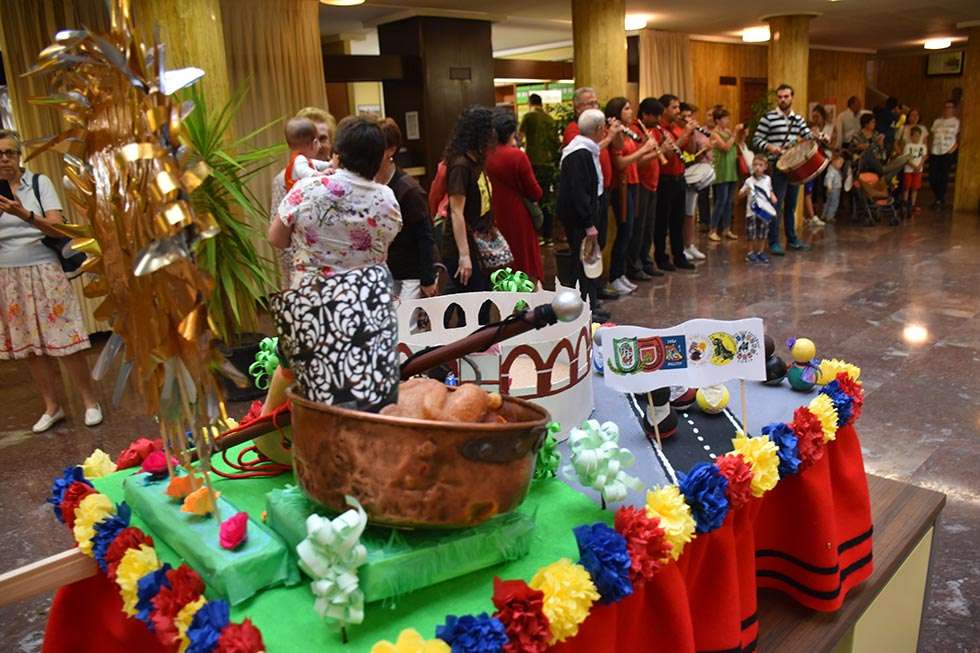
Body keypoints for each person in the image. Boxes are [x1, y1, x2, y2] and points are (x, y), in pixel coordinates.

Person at [0, 129, 103, 432]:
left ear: (19, 156)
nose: (4, 159)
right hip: (7, 276)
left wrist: (24, 214)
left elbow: (60, 230)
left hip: (44, 270)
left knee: (66, 341)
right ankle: (52, 407)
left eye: (10, 152)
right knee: (31, 346)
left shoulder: (38, 183)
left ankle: (90, 402)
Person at [268, 115, 402, 287]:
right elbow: (388, 237)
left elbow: (275, 238)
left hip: (314, 296)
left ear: (337, 154)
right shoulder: (387, 198)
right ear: (378, 158)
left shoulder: (306, 188)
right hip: (367, 296)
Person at [563, 87, 622, 299]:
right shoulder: (575, 131)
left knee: (600, 243)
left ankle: (594, 290)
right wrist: (609, 135)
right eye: (590, 103)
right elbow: (593, 147)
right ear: (577, 107)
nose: (595, 106)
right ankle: (586, 298)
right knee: (585, 250)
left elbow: (617, 147)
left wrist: (616, 132)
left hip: (601, 193)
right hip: (585, 200)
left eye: (597, 102)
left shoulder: (599, 127)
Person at [270, 107, 336, 289]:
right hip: (304, 280)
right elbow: (280, 242)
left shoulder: (343, 177)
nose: (319, 145)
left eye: (323, 138)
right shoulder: (284, 181)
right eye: (310, 140)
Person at [378, 118, 438, 300]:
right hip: (386, 272)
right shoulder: (369, 184)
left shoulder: (409, 190)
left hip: (411, 275)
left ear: (391, 150)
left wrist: (428, 279)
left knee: (407, 326)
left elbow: (426, 237)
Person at [558, 109, 609, 322]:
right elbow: (579, 192)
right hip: (579, 220)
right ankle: (585, 307)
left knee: (589, 260)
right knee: (582, 262)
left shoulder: (587, 150)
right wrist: (589, 223)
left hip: (586, 215)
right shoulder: (579, 153)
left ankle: (592, 302)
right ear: (598, 129)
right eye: (604, 127)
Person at [751, 83, 813, 254]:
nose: (783, 100)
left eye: (786, 96)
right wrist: (770, 147)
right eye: (780, 97)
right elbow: (756, 139)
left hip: (794, 167)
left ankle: (792, 239)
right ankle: (774, 242)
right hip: (776, 167)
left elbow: (808, 135)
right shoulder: (768, 118)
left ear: (792, 97)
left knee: (791, 205)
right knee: (776, 206)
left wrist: (819, 135)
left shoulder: (798, 119)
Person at [605, 97, 658, 295]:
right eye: (626, 108)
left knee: (632, 229)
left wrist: (652, 151)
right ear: (616, 112)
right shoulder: (617, 133)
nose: (630, 111)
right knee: (625, 229)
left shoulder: (628, 133)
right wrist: (644, 149)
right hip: (622, 186)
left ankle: (621, 274)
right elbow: (620, 163)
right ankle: (615, 275)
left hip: (634, 183)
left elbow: (635, 160)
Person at [442, 106, 497, 293]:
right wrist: (464, 255)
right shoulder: (461, 165)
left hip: (478, 242)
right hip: (463, 245)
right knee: (473, 302)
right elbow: (456, 212)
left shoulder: (476, 161)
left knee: (482, 298)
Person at [485, 109, 544, 283]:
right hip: (518, 214)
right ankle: (524, 302)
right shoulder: (517, 156)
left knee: (503, 259)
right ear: (512, 132)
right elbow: (535, 192)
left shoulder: (485, 155)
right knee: (523, 257)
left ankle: (506, 299)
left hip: (493, 212)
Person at [652, 94, 696, 271]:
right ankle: (661, 257)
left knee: (677, 220)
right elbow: (669, 154)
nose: (678, 111)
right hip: (665, 179)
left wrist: (690, 133)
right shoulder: (659, 130)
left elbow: (690, 151)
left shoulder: (677, 128)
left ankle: (679, 255)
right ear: (664, 110)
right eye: (675, 107)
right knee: (662, 222)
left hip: (679, 178)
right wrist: (684, 134)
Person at [629, 98, 665, 279]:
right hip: (641, 184)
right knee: (639, 227)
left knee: (649, 227)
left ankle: (646, 261)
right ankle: (635, 265)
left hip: (653, 184)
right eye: (656, 116)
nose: (659, 119)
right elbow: (638, 162)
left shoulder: (653, 130)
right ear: (645, 115)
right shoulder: (636, 131)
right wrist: (658, 152)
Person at [519, 93, 559, 245]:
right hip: (548, 164)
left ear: (530, 103)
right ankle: (549, 236)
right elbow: (556, 142)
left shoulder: (528, 117)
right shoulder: (550, 119)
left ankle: (539, 235)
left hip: (533, 163)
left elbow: (520, 137)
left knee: (533, 199)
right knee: (547, 199)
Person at [679, 102, 711, 262]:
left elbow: (693, 153)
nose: (687, 119)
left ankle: (689, 245)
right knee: (680, 215)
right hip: (677, 176)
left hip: (691, 175)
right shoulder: (675, 130)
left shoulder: (693, 132)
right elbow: (680, 153)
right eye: (684, 116)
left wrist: (694, 137)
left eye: (690, 116)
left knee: (690, 214)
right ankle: (680, 248)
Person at [708, 107, 740, 242]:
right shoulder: (714, 134)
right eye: (725, 119)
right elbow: (725, 147)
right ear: (717, 120)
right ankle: (713, 229)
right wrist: (735, 133)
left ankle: (727, 229)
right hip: (721, 170)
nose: (727, 121)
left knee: (729, 202)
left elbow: (736, 144)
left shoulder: (727, 131)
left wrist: (738, 134)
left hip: (731, 169)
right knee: (721, 201)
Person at [739, 153, 778, 265]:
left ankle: (760, 252)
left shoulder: (768, 179)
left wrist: (772, 196)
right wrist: (744, 192)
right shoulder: (749, 181)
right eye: (755, 165)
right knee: (751, 233)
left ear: (765, 167)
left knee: (763, 232)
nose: (757, 167)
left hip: (764, 211)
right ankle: (750, 253)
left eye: (760, 165)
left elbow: (769, 190)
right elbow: (740, 194)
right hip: (751, 211)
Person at [281, 117, 333, 193]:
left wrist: (329, 164)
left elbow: (315, 163)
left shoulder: (302, 159)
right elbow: (305, 172)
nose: (320, 146)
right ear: (314, 143)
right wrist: (320, 174)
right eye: (318, 141)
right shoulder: (300, 160)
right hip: (302, 197)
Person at [804, 104, 834, 228]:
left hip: (821, 160)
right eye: (813, 116)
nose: (815, 119)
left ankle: (814, 215)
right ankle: (811, 215)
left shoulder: (827, 128)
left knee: (818, 188)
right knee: (809, 191)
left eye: (817, 116)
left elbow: (829, 143)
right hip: (809, 163)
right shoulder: (809, 129)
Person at [929, 100, 959, 210]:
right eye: (946, 107)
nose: (947, 109)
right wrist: (930, 148)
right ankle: (938, 197)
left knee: (943, 177)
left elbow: (959, 137)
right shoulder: (937, 121)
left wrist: (953, 148)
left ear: (954, 109)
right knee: (933, 177)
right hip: (935, 151)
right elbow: (932, 136)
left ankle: (940, 199)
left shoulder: (956, 122)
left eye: (950, 107)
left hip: (947, 151)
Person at [901, 126, 928, 215]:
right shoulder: (908, 146)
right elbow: (906, 158)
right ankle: (905, 203)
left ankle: (912, 204)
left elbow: (923, 157)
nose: (916, 137)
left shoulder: (923, 147)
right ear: (911, 136)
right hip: (909, 169)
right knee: (906, 187)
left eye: (918, 136)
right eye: (914, 135)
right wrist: (913, 166)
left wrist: (919, 166)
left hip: (918, 170)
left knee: (915, 188)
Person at [822, 155, 844, 224]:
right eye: (839, 163)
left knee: (828, 202)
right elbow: (829, 179)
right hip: (834, 189)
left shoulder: (834, 169)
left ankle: (824, 215)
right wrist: (829, 187)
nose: (841, 165)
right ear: (833, 162)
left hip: (833, 189)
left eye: (842, 164)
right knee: (834, 203)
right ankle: (830, 217)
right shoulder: (832, 171)